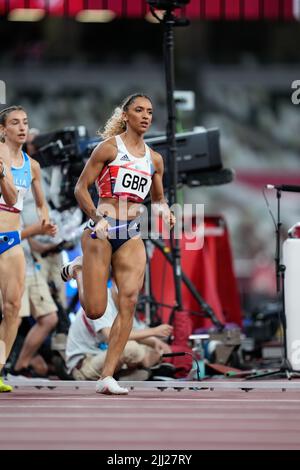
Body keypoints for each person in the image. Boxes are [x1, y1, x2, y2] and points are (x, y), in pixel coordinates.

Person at [61, 93, 175, 394]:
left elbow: (158, 198)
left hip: (131, 235)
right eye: (139, 110)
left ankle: (107, 377)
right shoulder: (109, 148)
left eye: (150, 111)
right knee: (97, 311)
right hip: (101, 230)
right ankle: (77, 271)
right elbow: (80, 188)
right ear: (125, 116)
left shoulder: (155, 159)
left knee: (129, 301)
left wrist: (165, 212)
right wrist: (96, 215)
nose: (146, 116)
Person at [0, 106, 56, 392]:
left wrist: (45, 216)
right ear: (2, 129)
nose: (22, 128)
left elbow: (40, 202)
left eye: (25, 122)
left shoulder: (31, 165)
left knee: (12, 309)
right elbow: (9, 196)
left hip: (10, 239)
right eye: (14, 123)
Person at [66, 281, 173, 381]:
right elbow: (110, 335)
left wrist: (156, 343)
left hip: (103, 356)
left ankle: (128, 374)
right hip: (83, 365)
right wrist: (153, 332)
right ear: (114, 281)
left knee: (147, 347)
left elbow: (137, 331)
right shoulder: (101, 300)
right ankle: (144, 366)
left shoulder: (125, 303)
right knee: (131, 348)